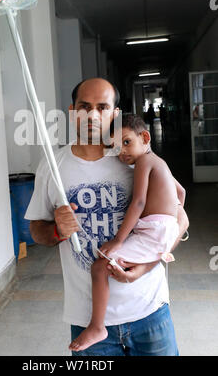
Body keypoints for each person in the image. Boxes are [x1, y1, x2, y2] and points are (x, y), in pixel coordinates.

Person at [25, 78, 189, 356]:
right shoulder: (53, 166)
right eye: (84, 107)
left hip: (149, 311)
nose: (92, 115)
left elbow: (179, 221)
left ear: (115, 114)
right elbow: (36, 230)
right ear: (71, 111)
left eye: (102, 107)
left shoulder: (132, 156)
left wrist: (146, 266)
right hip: (87, 319)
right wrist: (56, 231)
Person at [69, 113, 186, 352]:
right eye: (115, 147)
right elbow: (181, 192)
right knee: (109, 266)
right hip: (161, 228)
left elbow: (139, 203)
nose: (122, 152)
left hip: (153, 231)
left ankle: (97, 327)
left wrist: (118, 239)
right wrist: (172, 215)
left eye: (126, 142)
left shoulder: (144, 162)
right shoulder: (160, 162)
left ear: (145, 137)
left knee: (99, 267)